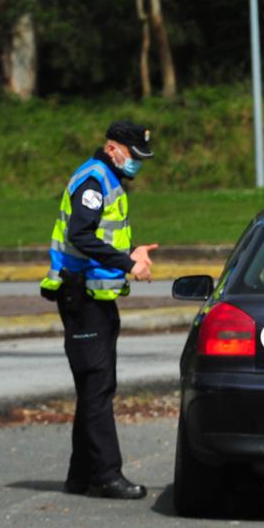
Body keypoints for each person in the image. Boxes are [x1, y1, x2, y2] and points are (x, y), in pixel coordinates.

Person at [40, 121, 159, 500]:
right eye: (133, 155)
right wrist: (128, 264)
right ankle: (107, 475)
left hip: (96, 300)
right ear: (112, 148)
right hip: (82, 298)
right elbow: (81, 235)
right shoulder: (94, 181)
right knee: (96, 386)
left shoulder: (107, 178)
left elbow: (104, 236)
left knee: (95, 386)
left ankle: (82, 477)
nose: (136, 163)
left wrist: (133, 251)